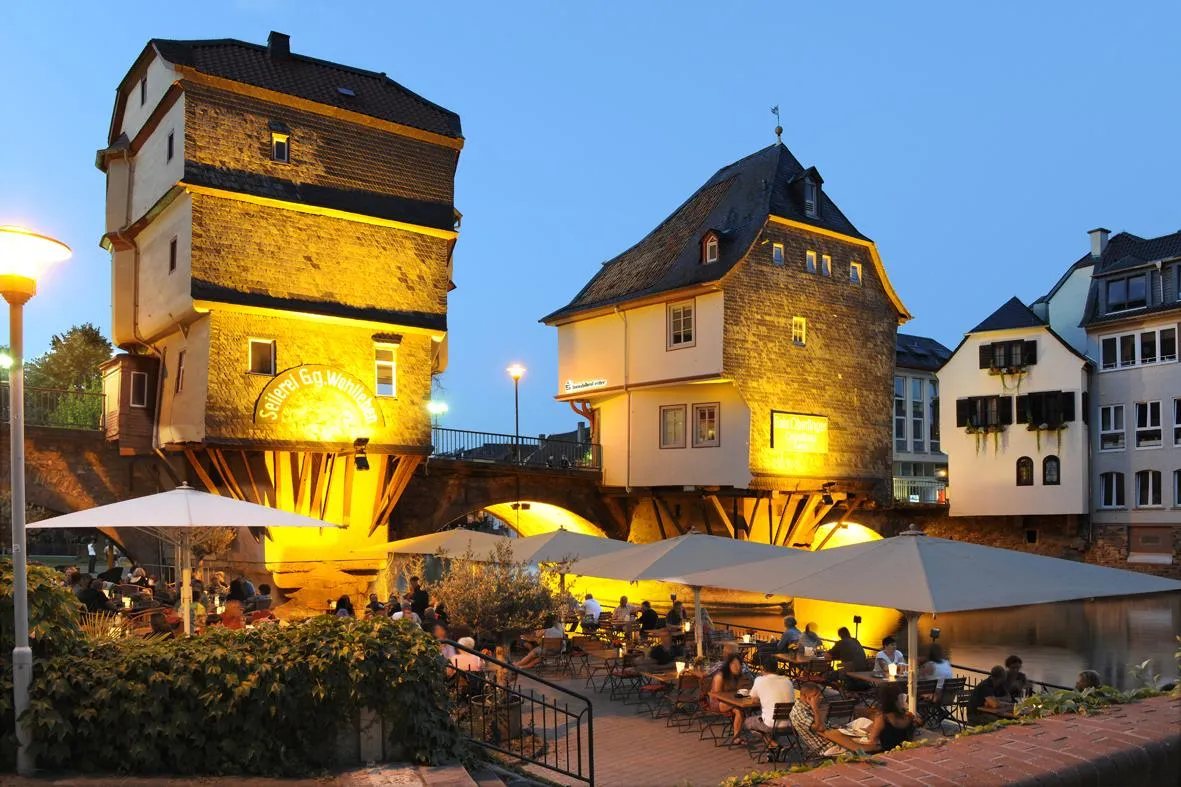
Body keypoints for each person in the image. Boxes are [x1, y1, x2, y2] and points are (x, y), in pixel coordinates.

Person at [744, 653, 795, 741]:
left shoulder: (759, 680)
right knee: (768, 718)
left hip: (771, 725)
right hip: (790, 725)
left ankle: (772, 744)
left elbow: (753, 700)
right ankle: (773, 748)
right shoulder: (788, 681)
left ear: (762, 668)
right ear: (776, 668)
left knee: (747, 722)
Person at [790, 682, 842, 757]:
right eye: (816, 695)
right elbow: (820, 728)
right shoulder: (799, 712)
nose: (821, 697)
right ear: (806, 697)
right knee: (859, 746)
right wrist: (815, 708)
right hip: (828, 747)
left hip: (834, 739)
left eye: (820, 695)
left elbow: (825, 725)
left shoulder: (806, 706)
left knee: (862, 721)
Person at [708, 654, 747, 745]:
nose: (737, 667)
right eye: (735, 664)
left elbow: (739, 689)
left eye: (739, 665)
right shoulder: (720, 676)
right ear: (729, 665)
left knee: (739, 711)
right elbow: (717, 695)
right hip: (717, 703)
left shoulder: (736, 677)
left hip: (731, 702)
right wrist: (734, 699)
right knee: (739, 706)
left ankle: (736, 737)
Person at [867, 683, 918, 751]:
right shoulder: (908, 716)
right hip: (907, 752)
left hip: (889, 754)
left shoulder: (882, 718)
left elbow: (872, 741)